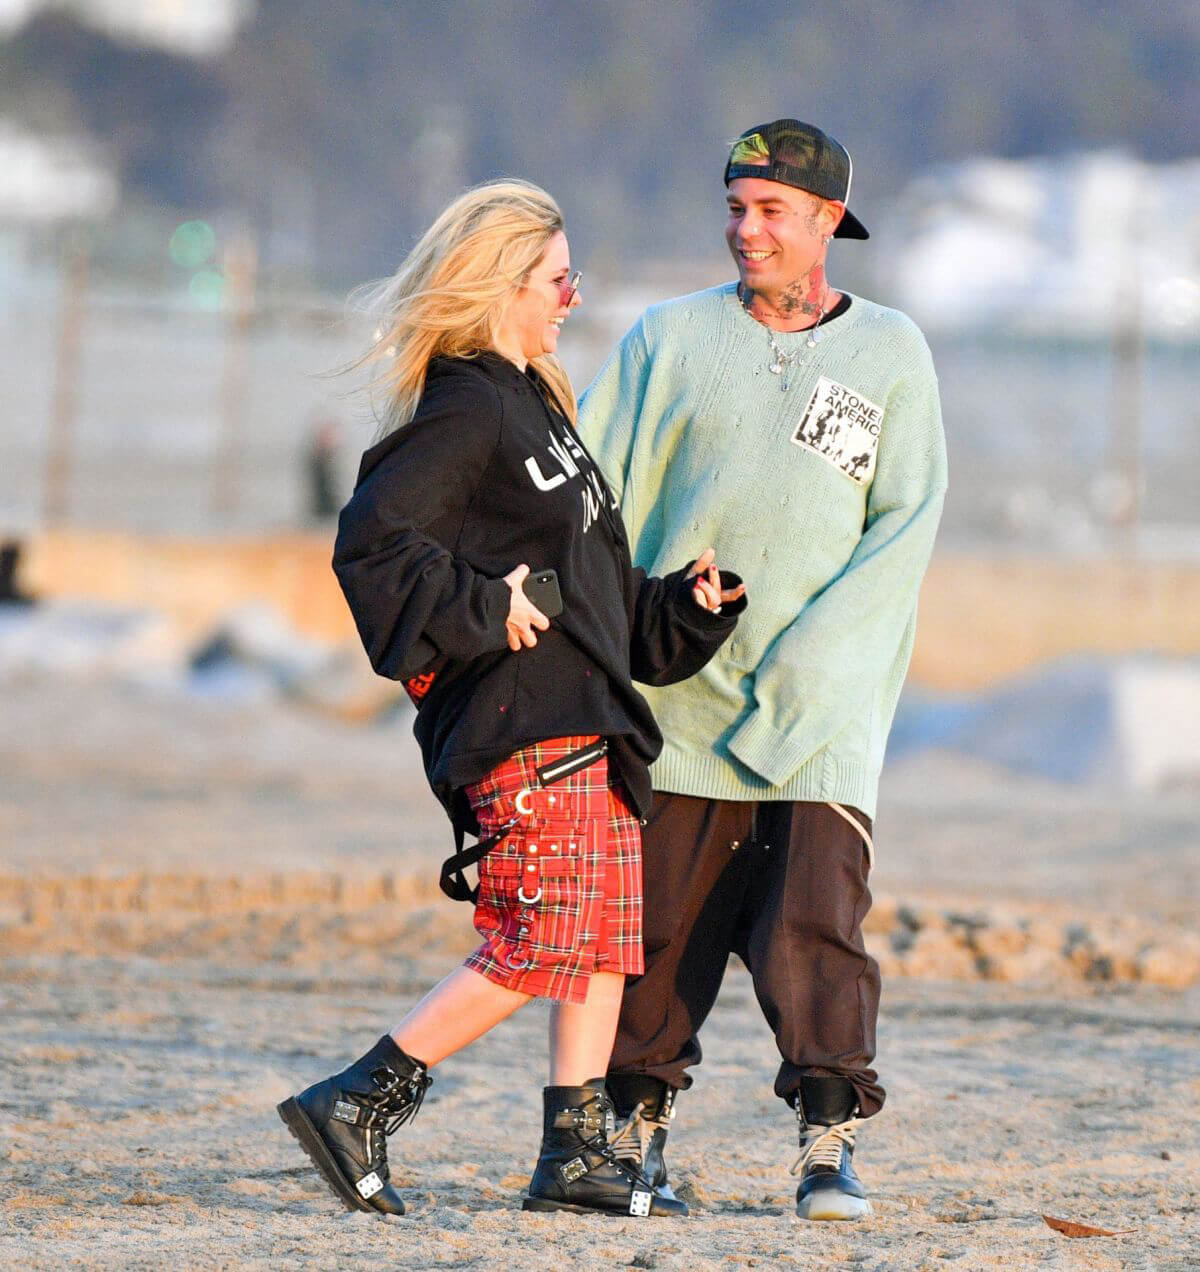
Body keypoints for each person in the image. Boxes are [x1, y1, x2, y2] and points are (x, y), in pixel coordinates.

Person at [276, 179, 745, 1220]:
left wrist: (691, 609)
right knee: (541, 941)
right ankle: (356, 1101)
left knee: (603, 937)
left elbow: (600, 603)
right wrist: (486, 608)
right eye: (555, 278)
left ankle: (576, 1155)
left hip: (590, 720)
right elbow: (373, 541)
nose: (572, 297)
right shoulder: (471, 404)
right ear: (498, 286)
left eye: (573, 276)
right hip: (525, 727)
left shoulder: (539, 405)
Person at [577, 120, 948, 1221]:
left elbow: (904, 530)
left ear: (829, 220)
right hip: (678, 709)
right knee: (653, 939)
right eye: (735, 208)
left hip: (823, 719)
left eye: (771, 211)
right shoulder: (666, 340)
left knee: (814, 937)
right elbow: (598, 503)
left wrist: (809, 675)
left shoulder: (890, 353)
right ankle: (635, 1138)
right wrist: (621, 649)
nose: (747, 230)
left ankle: (827, 1148)